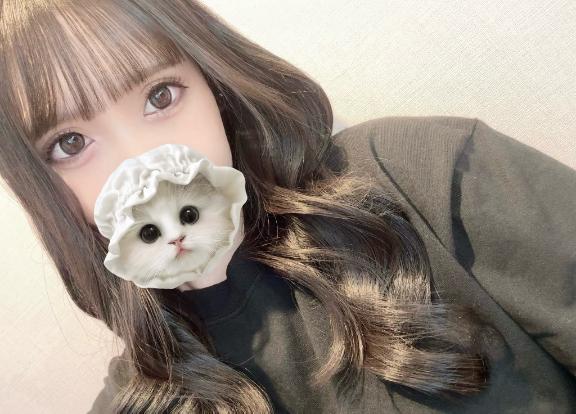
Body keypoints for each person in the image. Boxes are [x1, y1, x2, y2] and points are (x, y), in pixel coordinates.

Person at [0, 1, 574, 413]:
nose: (145, 167)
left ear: (212, 82)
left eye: (160, 96)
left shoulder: (427, 174)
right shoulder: (136, 400)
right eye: (69, 144)